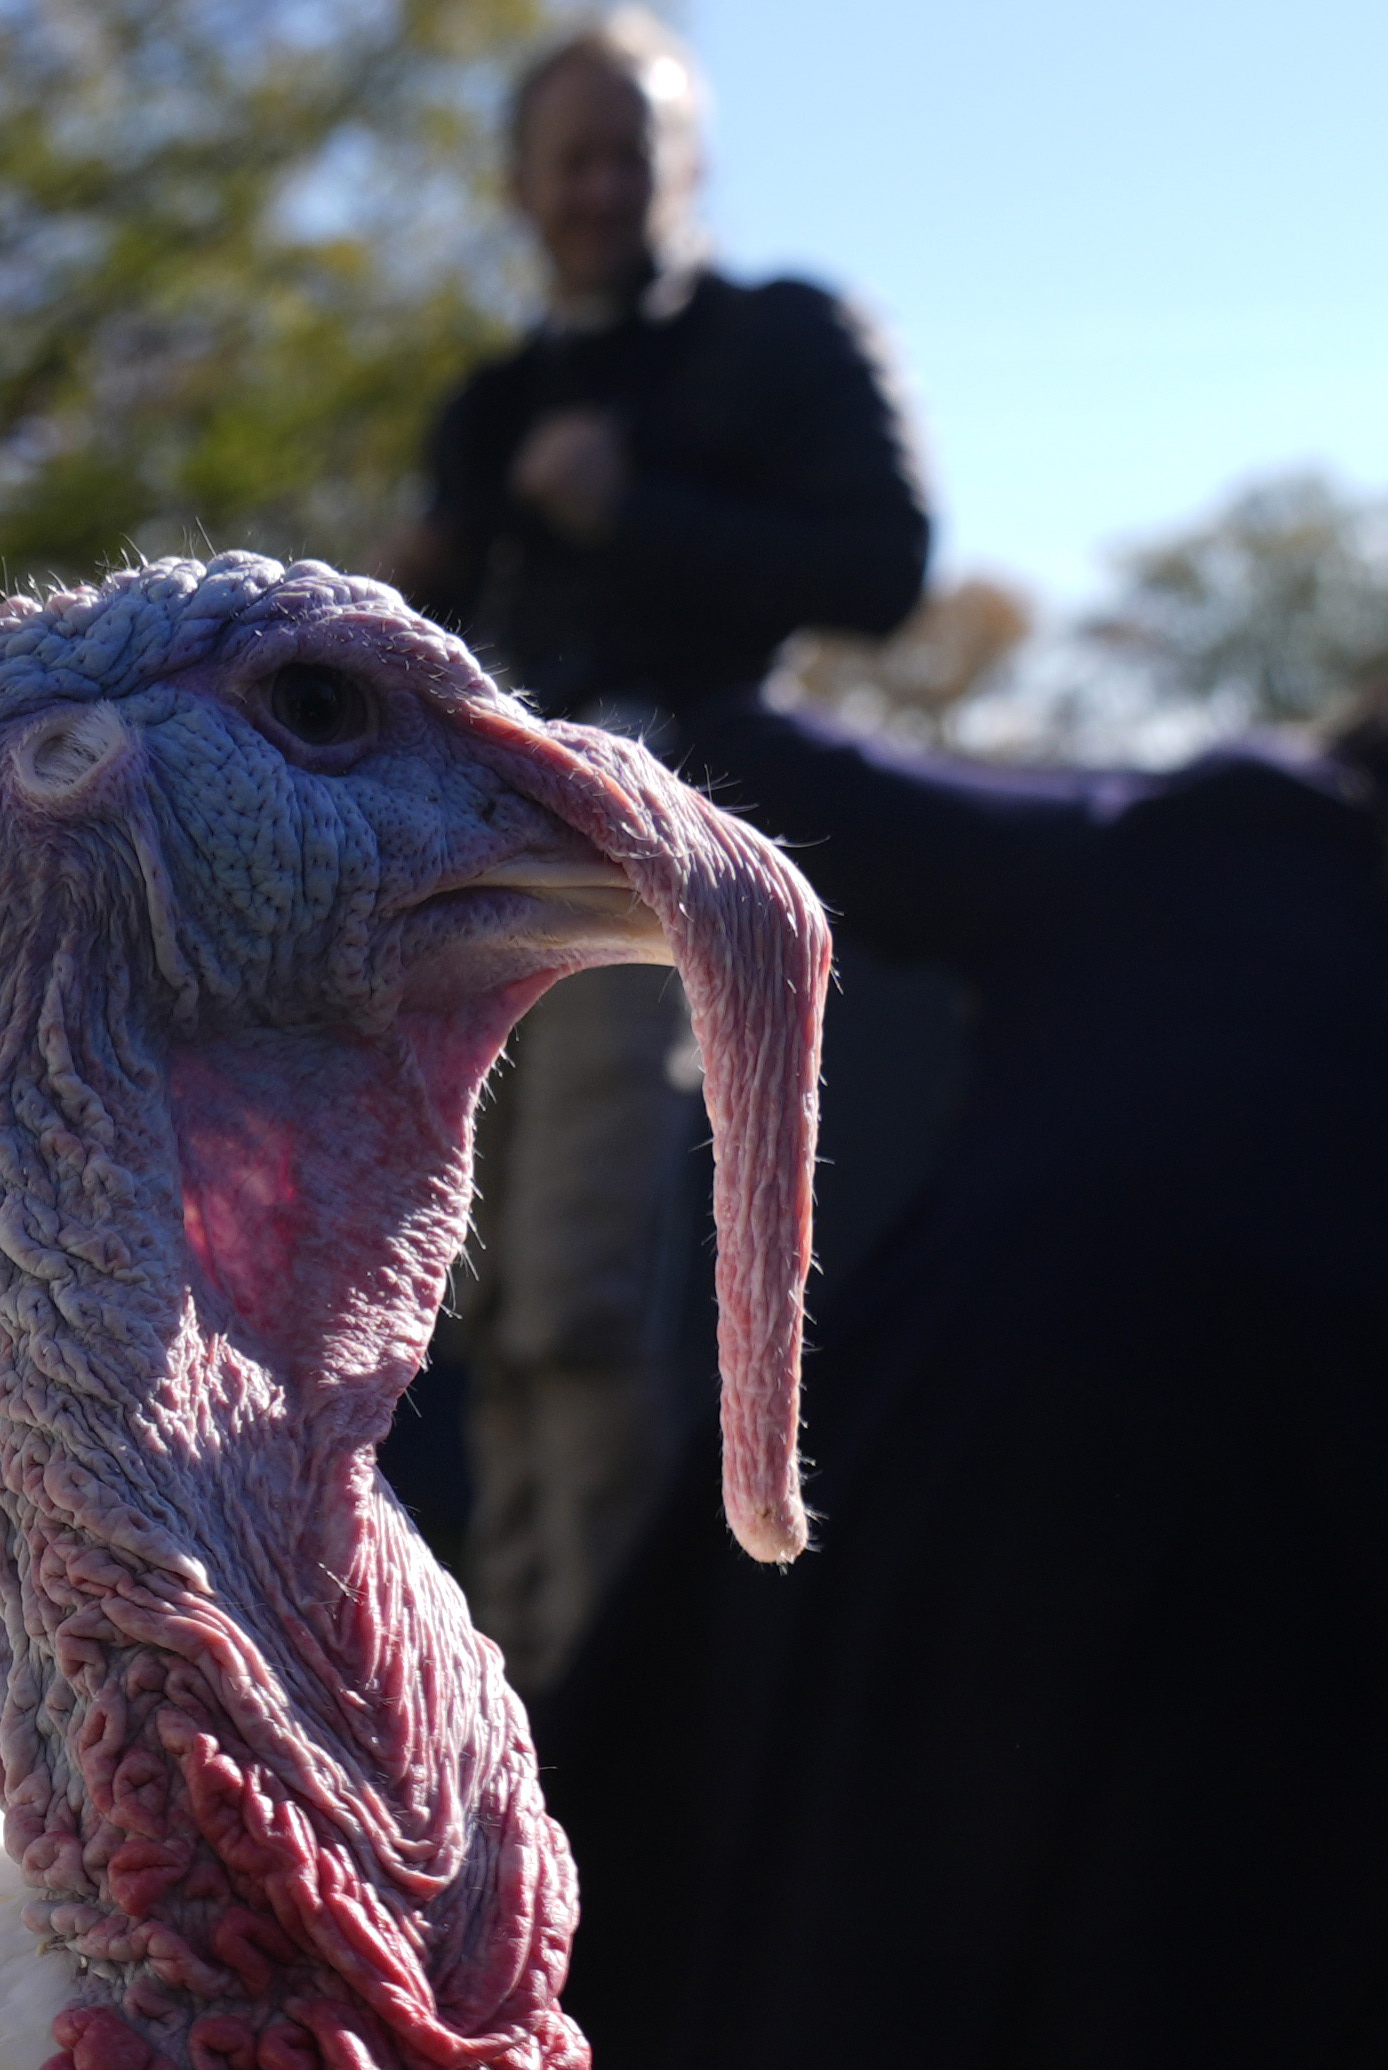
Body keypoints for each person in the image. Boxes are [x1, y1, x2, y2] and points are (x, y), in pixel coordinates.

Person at [543, 656, 1388, 2070]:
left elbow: (841, 802)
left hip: (1022, 1452)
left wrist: (630, 620)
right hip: (1381, 1526)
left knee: (903, 1893)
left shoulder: (1209, 828)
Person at [372, 11, 928, 1686]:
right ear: (519, 187)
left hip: (646, 872)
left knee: (582, 1291)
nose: (600, 186)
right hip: (470, 888)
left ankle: (588, 1719)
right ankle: (509, 1691)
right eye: (569, 160)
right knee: (469, 1316)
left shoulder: (773, 339)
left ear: (683, 170)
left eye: (631, 153)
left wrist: (637, 505)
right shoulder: (489, 402)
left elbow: (886, 562)